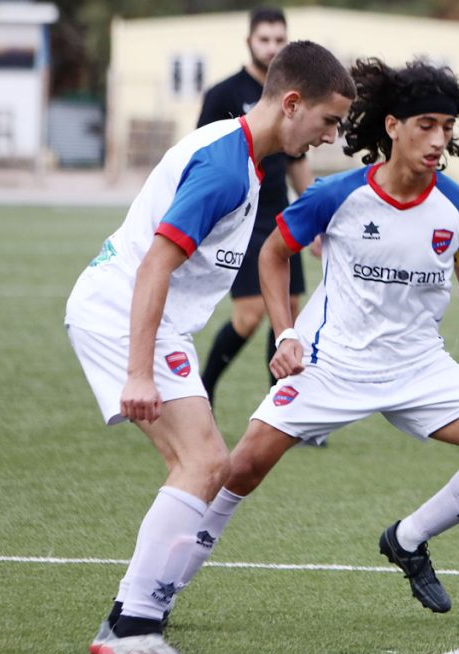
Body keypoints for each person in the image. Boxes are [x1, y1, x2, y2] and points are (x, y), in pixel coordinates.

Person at [173, 58, 459, 615]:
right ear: (392, 126)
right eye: (426, 125)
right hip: (329, 363)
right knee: (238, 469)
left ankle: (409, 539)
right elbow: (274, 254)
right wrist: (286, 334)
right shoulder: (337, 196)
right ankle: (160, 593)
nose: (439, 139)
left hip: (420, 367)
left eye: (447, 126)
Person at [65, 41, 354, 654]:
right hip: (124, 313)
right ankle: (134, 629)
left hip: (147, 317)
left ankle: (130, 621)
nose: (331, 135)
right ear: (292, 102)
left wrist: (282, 333)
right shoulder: (227, 167)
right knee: (203, 463)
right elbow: (155, 266)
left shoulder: (245, 159)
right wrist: (139, 371)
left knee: (205, 464)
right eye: (329, 121)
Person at [198, 7, 323, 404]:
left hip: (280, 217)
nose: (271, 47)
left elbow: (297, 161)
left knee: (286, 313)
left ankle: (280, 405)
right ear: (249, 42)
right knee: (250, 315)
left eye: (279, 40)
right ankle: (204, 387)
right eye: (264, 39)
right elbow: (203, 155)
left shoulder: (295, 98)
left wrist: (314, 217)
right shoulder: (223, 94)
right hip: (240, 220)